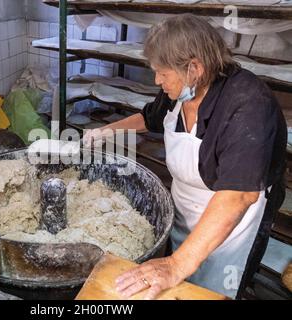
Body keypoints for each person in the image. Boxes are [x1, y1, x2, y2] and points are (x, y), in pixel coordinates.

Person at [83, 14, 287, 299]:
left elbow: (238, 196)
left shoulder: (249, 105)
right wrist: (104, 131)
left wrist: (175, 265)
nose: (157, 80)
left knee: (215, 289)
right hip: (186, 207)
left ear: (195, 68)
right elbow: (150, 118)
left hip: (233, 223)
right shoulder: (180, 89)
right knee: (177, 286)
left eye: (163, 73)